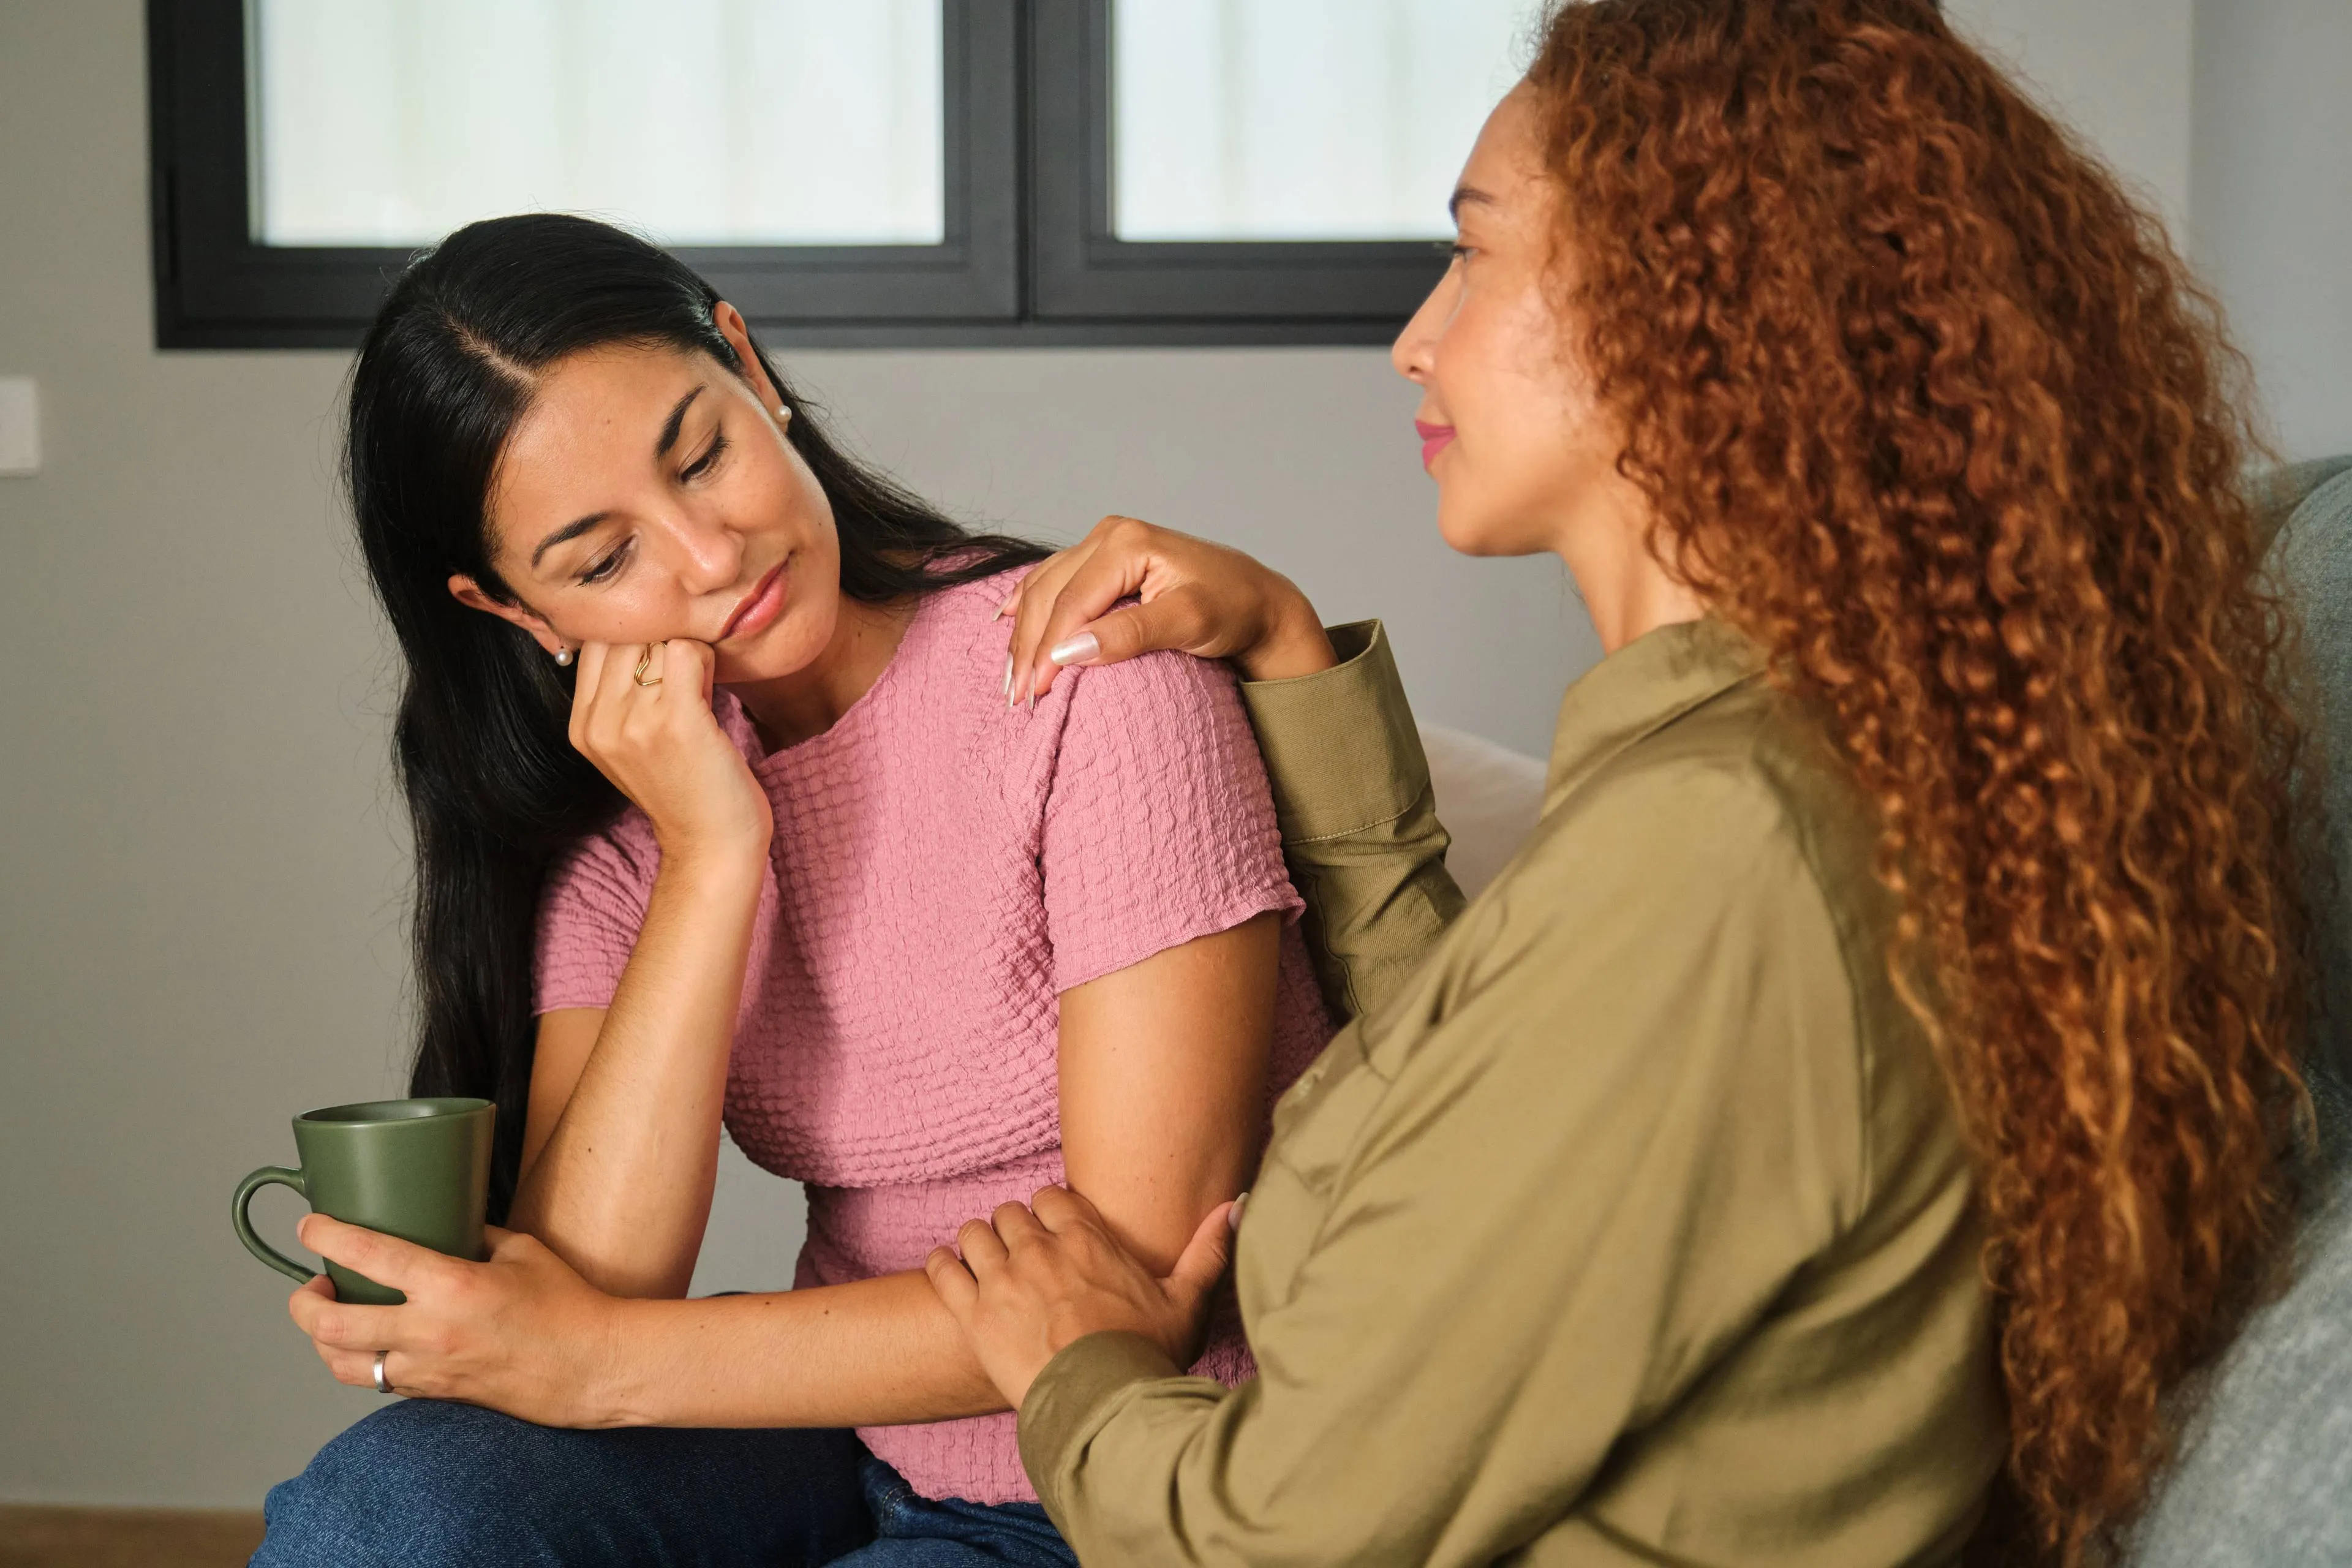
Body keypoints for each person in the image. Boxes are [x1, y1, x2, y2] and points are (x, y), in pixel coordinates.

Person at [928, 2, 2315, 1564]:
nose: (1416, 336)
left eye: (1477, 252)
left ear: (1700, 298)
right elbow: (1511, 1095)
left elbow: (1277, 1530)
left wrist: (1076, 1370)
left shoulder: (1730, 842)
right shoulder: (1768, 772)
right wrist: (1290, 654)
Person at [251, 214, 1334, 1567]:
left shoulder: (1090, 679)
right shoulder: (636, 821)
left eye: (702, 453)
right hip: (858, 1444)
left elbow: (1117, 1296)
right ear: (517, 615)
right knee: (383, 1516)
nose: (709, 557)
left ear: (751, 366)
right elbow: (597, 1279)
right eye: (600, 561)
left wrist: (591, 1361)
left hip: (1156, 1477)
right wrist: (712, 855)